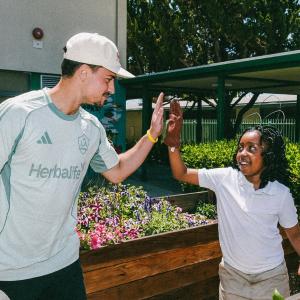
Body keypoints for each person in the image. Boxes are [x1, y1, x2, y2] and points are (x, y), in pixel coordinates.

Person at [0, 32, 164, 299]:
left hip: (63, 264)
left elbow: (117, 171)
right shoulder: (19, 114)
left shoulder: (91, 128)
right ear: (85, 72)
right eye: (108, 79)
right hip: (11, 271)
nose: (111, 89)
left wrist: (152, 135)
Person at [164, 100, 300, 299]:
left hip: (271, 278)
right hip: (232, 278)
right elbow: (181, 173)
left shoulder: (280, 193)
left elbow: (295, 234)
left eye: (251, 148)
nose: (242, 154)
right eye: (241, 147)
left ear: (268, 155)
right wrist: (173, 142)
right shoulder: (224, 178)